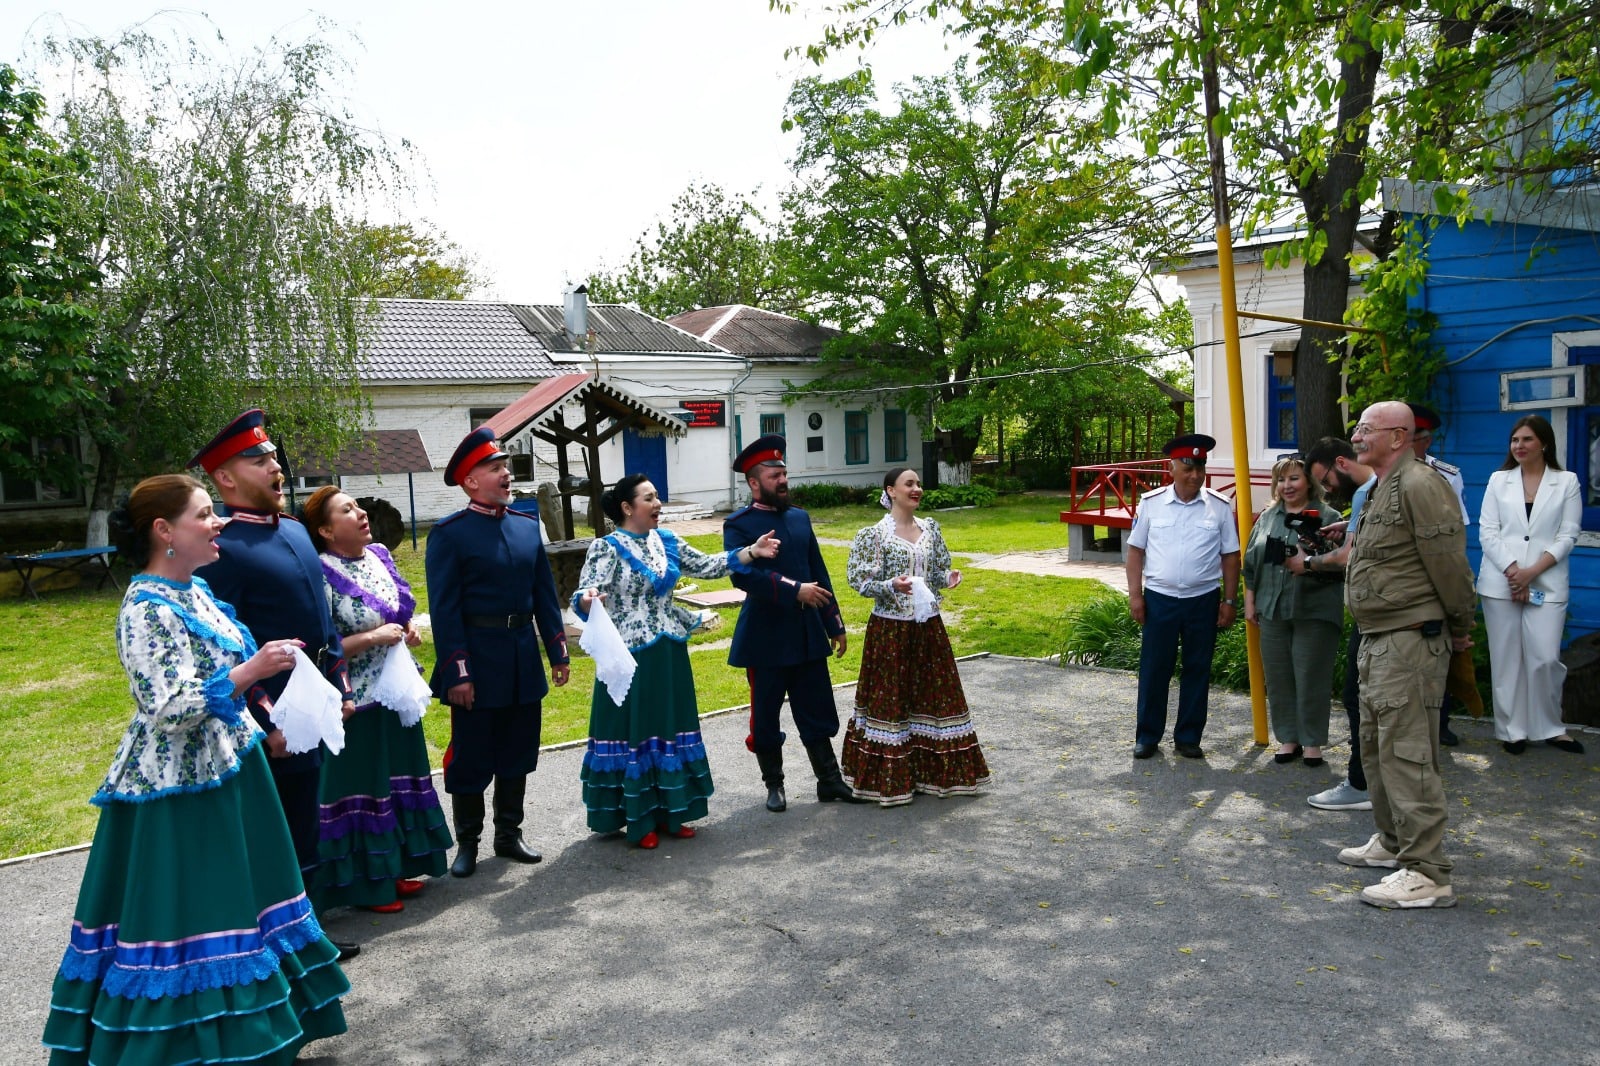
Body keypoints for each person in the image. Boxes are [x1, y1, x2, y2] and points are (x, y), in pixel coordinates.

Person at [42, 475, 349, 1062]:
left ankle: (258, 1029)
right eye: (206, 515)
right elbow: (168, 707)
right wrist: (251, 671)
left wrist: (261, 700)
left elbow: (228, 659)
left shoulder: (196, 591)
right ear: (165, 531)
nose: (219, 524)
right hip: (182, 788)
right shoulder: (144, 608)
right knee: (196, 913)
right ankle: (187, 1044)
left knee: (247, 904)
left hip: (233, 768)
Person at [192, 409, 361, 961]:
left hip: (315, 700)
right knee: (278, 830)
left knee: (307, 820)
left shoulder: (292, 530)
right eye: (258, 459)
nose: (275, 467)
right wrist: (264, 722)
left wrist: (341, 684)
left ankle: (308, 933)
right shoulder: (223, 549)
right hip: (273, 713)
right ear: (224, 478)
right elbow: (224, 644)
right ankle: (275, 943)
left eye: (273, 457)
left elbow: (321, 619)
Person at [573, 474, 780, 847]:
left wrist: (751, 551)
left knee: (669, 727)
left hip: (669, 651)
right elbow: (583, 595)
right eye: (649, 498)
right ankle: (640, 818)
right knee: (637, 730)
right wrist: (588, 600)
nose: (658, 504)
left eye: (657, 497)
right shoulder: (606, 548)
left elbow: (707, 564)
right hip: (630, 658)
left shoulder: (665, 541)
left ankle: (672, 811)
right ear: (626, 507)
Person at [1338, 401, 1477, 909]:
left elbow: (1448, 565)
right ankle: (1394, 843)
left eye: (1366, 429)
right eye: (1356, 428)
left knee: (1408, 753)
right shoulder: (1378, 488)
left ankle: (1427, 873)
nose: (1355, 436)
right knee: (1376, 748)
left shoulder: (1420, 484)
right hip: (1380, 638)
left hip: (1410, 639)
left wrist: (1461, 628)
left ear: (1398, 437)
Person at [426, 426, 570, 877]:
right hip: (477, 661)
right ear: (470, 480)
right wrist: (458, 673)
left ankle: (509, 834)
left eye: (505, 465)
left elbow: (545, 596)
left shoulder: (527, 528)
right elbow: (445, 611)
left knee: (518, 750)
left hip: (521, 657)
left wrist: (558, 651)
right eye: (495, 468)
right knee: (471, 755)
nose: (506, 473)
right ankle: (467, 841)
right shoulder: (450, 534)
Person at [302, 487, 453, 910]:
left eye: (358, 505)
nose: (362, 513)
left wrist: (406, 632)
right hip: (355, 699)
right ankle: (366, 884)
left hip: (396, 691)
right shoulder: (321, 572)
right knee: (363, 786)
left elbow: (396, 616)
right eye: (347, 510)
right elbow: (320, 644)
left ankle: (397, 866)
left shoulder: (380, 556)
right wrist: (370, 637)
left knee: (397, 778)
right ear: (326, 530)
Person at [724, 434, 864, 810]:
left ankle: (830, 782)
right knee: (766, 716)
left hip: (806, 635)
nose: (783, 480)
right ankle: (774, 785)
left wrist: (833, 623)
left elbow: (818, 571)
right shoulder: (738, 524)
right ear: (754, 483)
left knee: (816, 709)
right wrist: (793, 590)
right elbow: (741, 575)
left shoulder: (800, 519)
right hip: (765, 637)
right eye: (774, 475)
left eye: (784, 473)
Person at [841, 467, 991, 805]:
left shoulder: (931, 529)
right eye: (909, 484)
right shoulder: (874, 535)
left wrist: (947, 578)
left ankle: (933, 776)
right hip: (890, 628)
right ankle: (891, 781)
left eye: (918, 484)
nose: (917, 489)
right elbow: (860, 582)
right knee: (891, 698)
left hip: (927, 625)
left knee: (934, 697)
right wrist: (890, 584)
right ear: (891, 491)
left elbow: (936, 571)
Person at [1125, 433, 1241, 760]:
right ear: (1172, 467)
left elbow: (1230, 556)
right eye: (1187, 468)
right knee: (1154, 668)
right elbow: (1135, 551)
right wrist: (1136, 595)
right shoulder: (1152, 504)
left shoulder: (1218, 507)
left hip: (1203, 599)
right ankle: (1147, 736)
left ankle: (1188, 737)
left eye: (1200, 468)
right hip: (1159, 599)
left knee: (1197, 668)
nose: (1194, 475)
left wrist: (1229, 601)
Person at [1477, 415, 1584, 756]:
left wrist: (1531, 572)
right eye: (1515, 440)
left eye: (1526, 439)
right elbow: (1487, 532)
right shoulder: (1499, 480)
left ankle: (1550, 726)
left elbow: (1568, 534)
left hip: (1546, 582)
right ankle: (1512, 730)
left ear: (1544, 443)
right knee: (1507, 658)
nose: (1519, 446)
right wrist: (1513, 571)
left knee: (1545, 657)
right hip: (1500, 582)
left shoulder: (1566, 482)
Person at [1242, 455, 1344, 768]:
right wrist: (1250, 600)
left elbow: (1342, 562)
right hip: (1272, 606)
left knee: (1311, 674)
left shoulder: (1329, 516)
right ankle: (1289, 738)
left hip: (1314, 608)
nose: (1287, 486)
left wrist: (1312, 558)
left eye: (1294, 478)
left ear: (1309, 482)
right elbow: (1251, 560)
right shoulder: (1268, 516)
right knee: (1279, 675)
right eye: (1282, 480)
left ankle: (1312, 742)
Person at [1294, 437, 1377, 812]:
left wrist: (1307, 564)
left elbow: (1347, 558)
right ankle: (1372, 782)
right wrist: (1347, 525)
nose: (1326, 490)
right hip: (1379, 610)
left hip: (1378, 612)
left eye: (1325, 481)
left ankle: (1361, 783)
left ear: (1340, 463)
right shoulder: (1381, 487)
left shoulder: (1368, 492)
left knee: (1357, 698)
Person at [1408, 403, 1475, 745]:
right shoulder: (1380, 474)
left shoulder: (1445, 474)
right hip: (1402, 578)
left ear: (1426, 439)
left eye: (1413, 437)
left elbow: (1457, 531)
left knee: (1440, 648)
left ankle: (1441, 720)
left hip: (1436, 574)